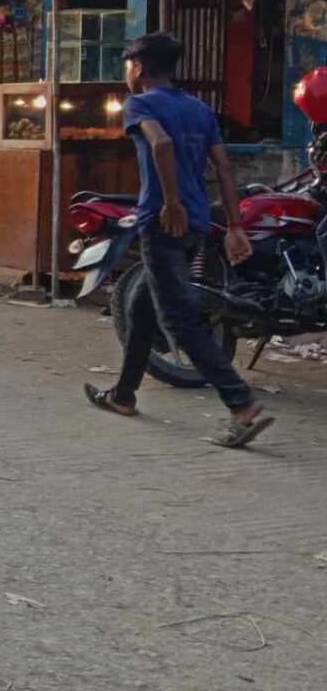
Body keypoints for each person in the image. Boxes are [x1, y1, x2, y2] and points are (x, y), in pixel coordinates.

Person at [85, 32, 272, 447]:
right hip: (199, 222)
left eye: (128, 66)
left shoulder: (140, 104)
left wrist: (170, 202)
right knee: (141, 305)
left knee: (177, 318)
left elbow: (162, 144)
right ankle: (123, 394)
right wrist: (235, 225)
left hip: (164, 221)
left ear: (139, 67)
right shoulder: (199, 109)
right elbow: (223, 167)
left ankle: (241, 403)